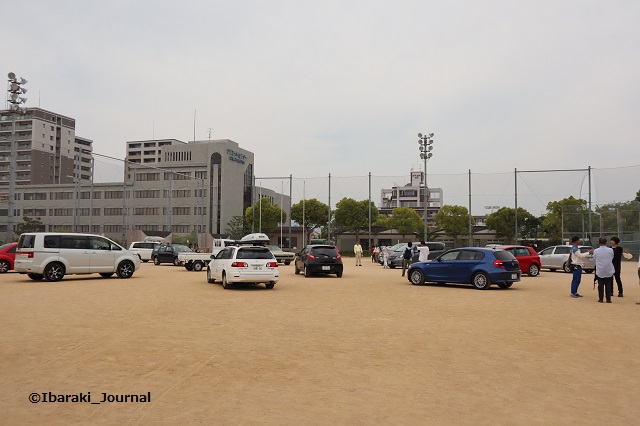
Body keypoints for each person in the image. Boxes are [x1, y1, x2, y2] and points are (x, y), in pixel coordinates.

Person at [593, 237, 615, 303]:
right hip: (609, 269)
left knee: (600, 285)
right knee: (608, 285)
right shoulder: (610, 250)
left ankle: (601, 299)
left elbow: (594, 258)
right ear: (606, 242)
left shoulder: (596, 251)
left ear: (599, 243)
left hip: (600, 270)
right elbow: (612, 257)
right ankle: (608, 299)